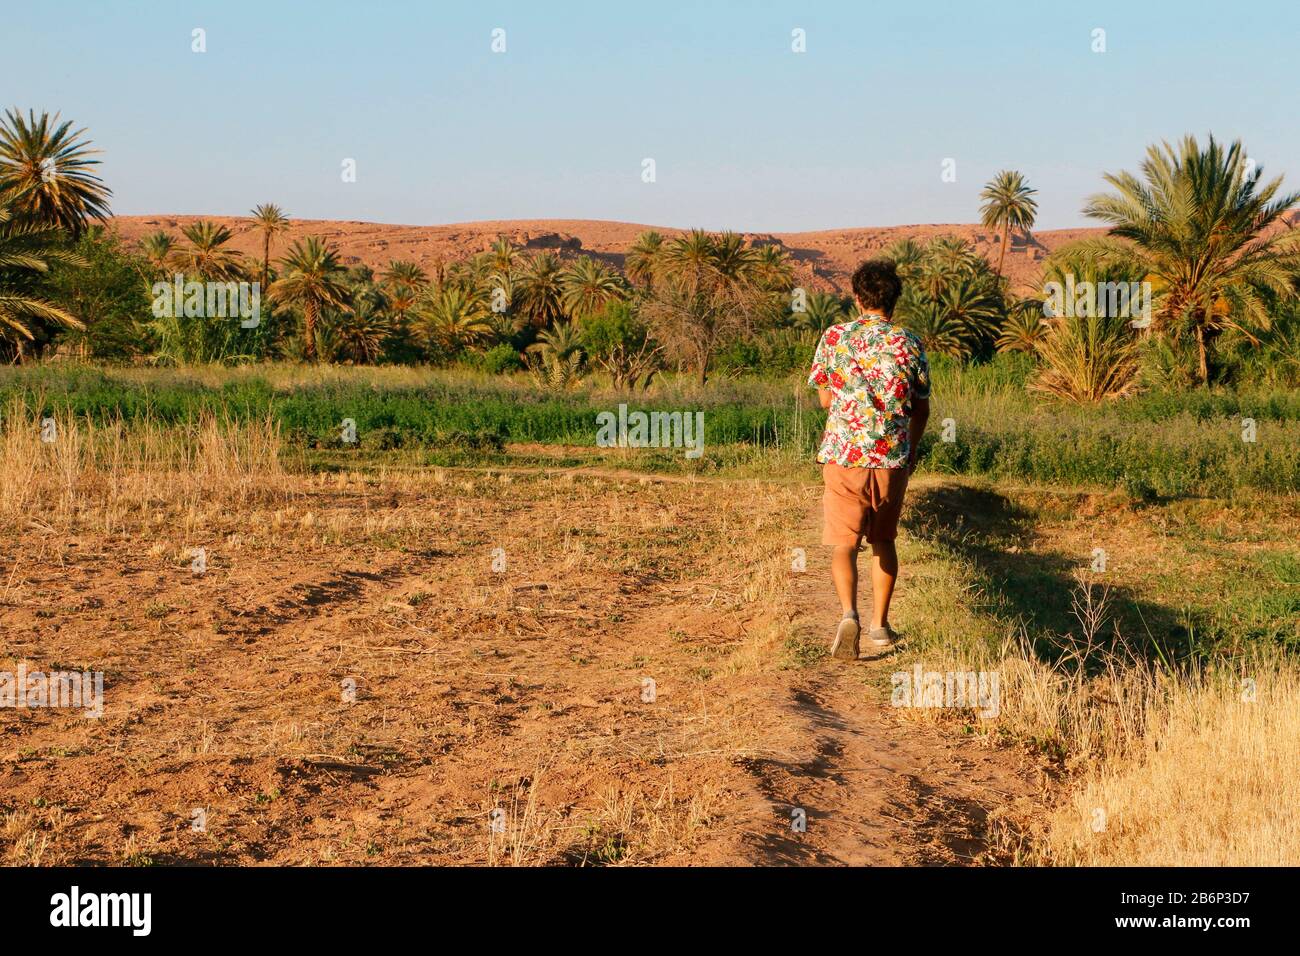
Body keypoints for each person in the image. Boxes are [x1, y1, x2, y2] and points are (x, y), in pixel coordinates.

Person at [808, 259, 931, 659]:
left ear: (858, 297)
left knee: (844, 544)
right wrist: (909, 452)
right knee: (883, 541)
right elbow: (921, 408)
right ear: (893, 299)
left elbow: (826, 399)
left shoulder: (835, 337)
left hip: (844, 455)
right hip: (891, 460)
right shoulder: (910, 342)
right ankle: (880, 626)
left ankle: (848, 614)